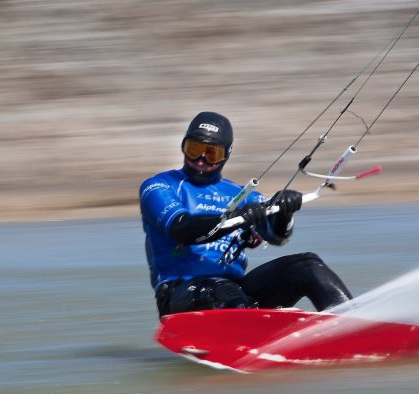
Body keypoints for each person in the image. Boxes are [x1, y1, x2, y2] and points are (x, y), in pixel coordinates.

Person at [139, 111, 352, 319]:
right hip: (181, 295)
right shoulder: (159, 187)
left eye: (212, 153)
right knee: (223, 291)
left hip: (236, 291)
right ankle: (249, 328)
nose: (201, 160)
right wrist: (236, 217)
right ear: (183, 147)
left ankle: (353, 324)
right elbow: (183, 230)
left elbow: (277, 236)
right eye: (194, 149)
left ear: (226, 155)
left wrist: (285, 212)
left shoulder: (242, 195)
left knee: (307, 265)